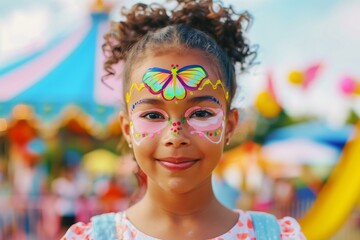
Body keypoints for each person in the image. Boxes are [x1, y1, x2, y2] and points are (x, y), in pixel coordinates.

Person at [62, 0, 306, 239]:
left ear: (230, 125)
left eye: (201, 114)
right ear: (127, 128)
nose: (175, 137)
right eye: (153, 115)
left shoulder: (276, 236)